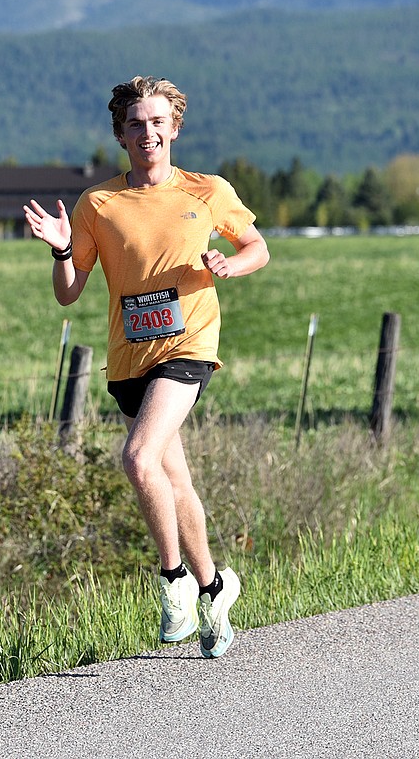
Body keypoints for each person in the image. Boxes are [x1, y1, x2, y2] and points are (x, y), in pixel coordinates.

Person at [23, 75, 269, 658]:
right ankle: (215, 587)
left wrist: (229, 267)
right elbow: (68, 293)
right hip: (129, 357)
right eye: (136, 124)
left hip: (188, 347)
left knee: (137, 459)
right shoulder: (99, 204)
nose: (148, 133)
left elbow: (256, 247)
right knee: (171, 478)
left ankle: (174, 582)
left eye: (158, 122)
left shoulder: (207, 190)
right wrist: (62, 250)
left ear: (174, 128)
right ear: (121, 134)